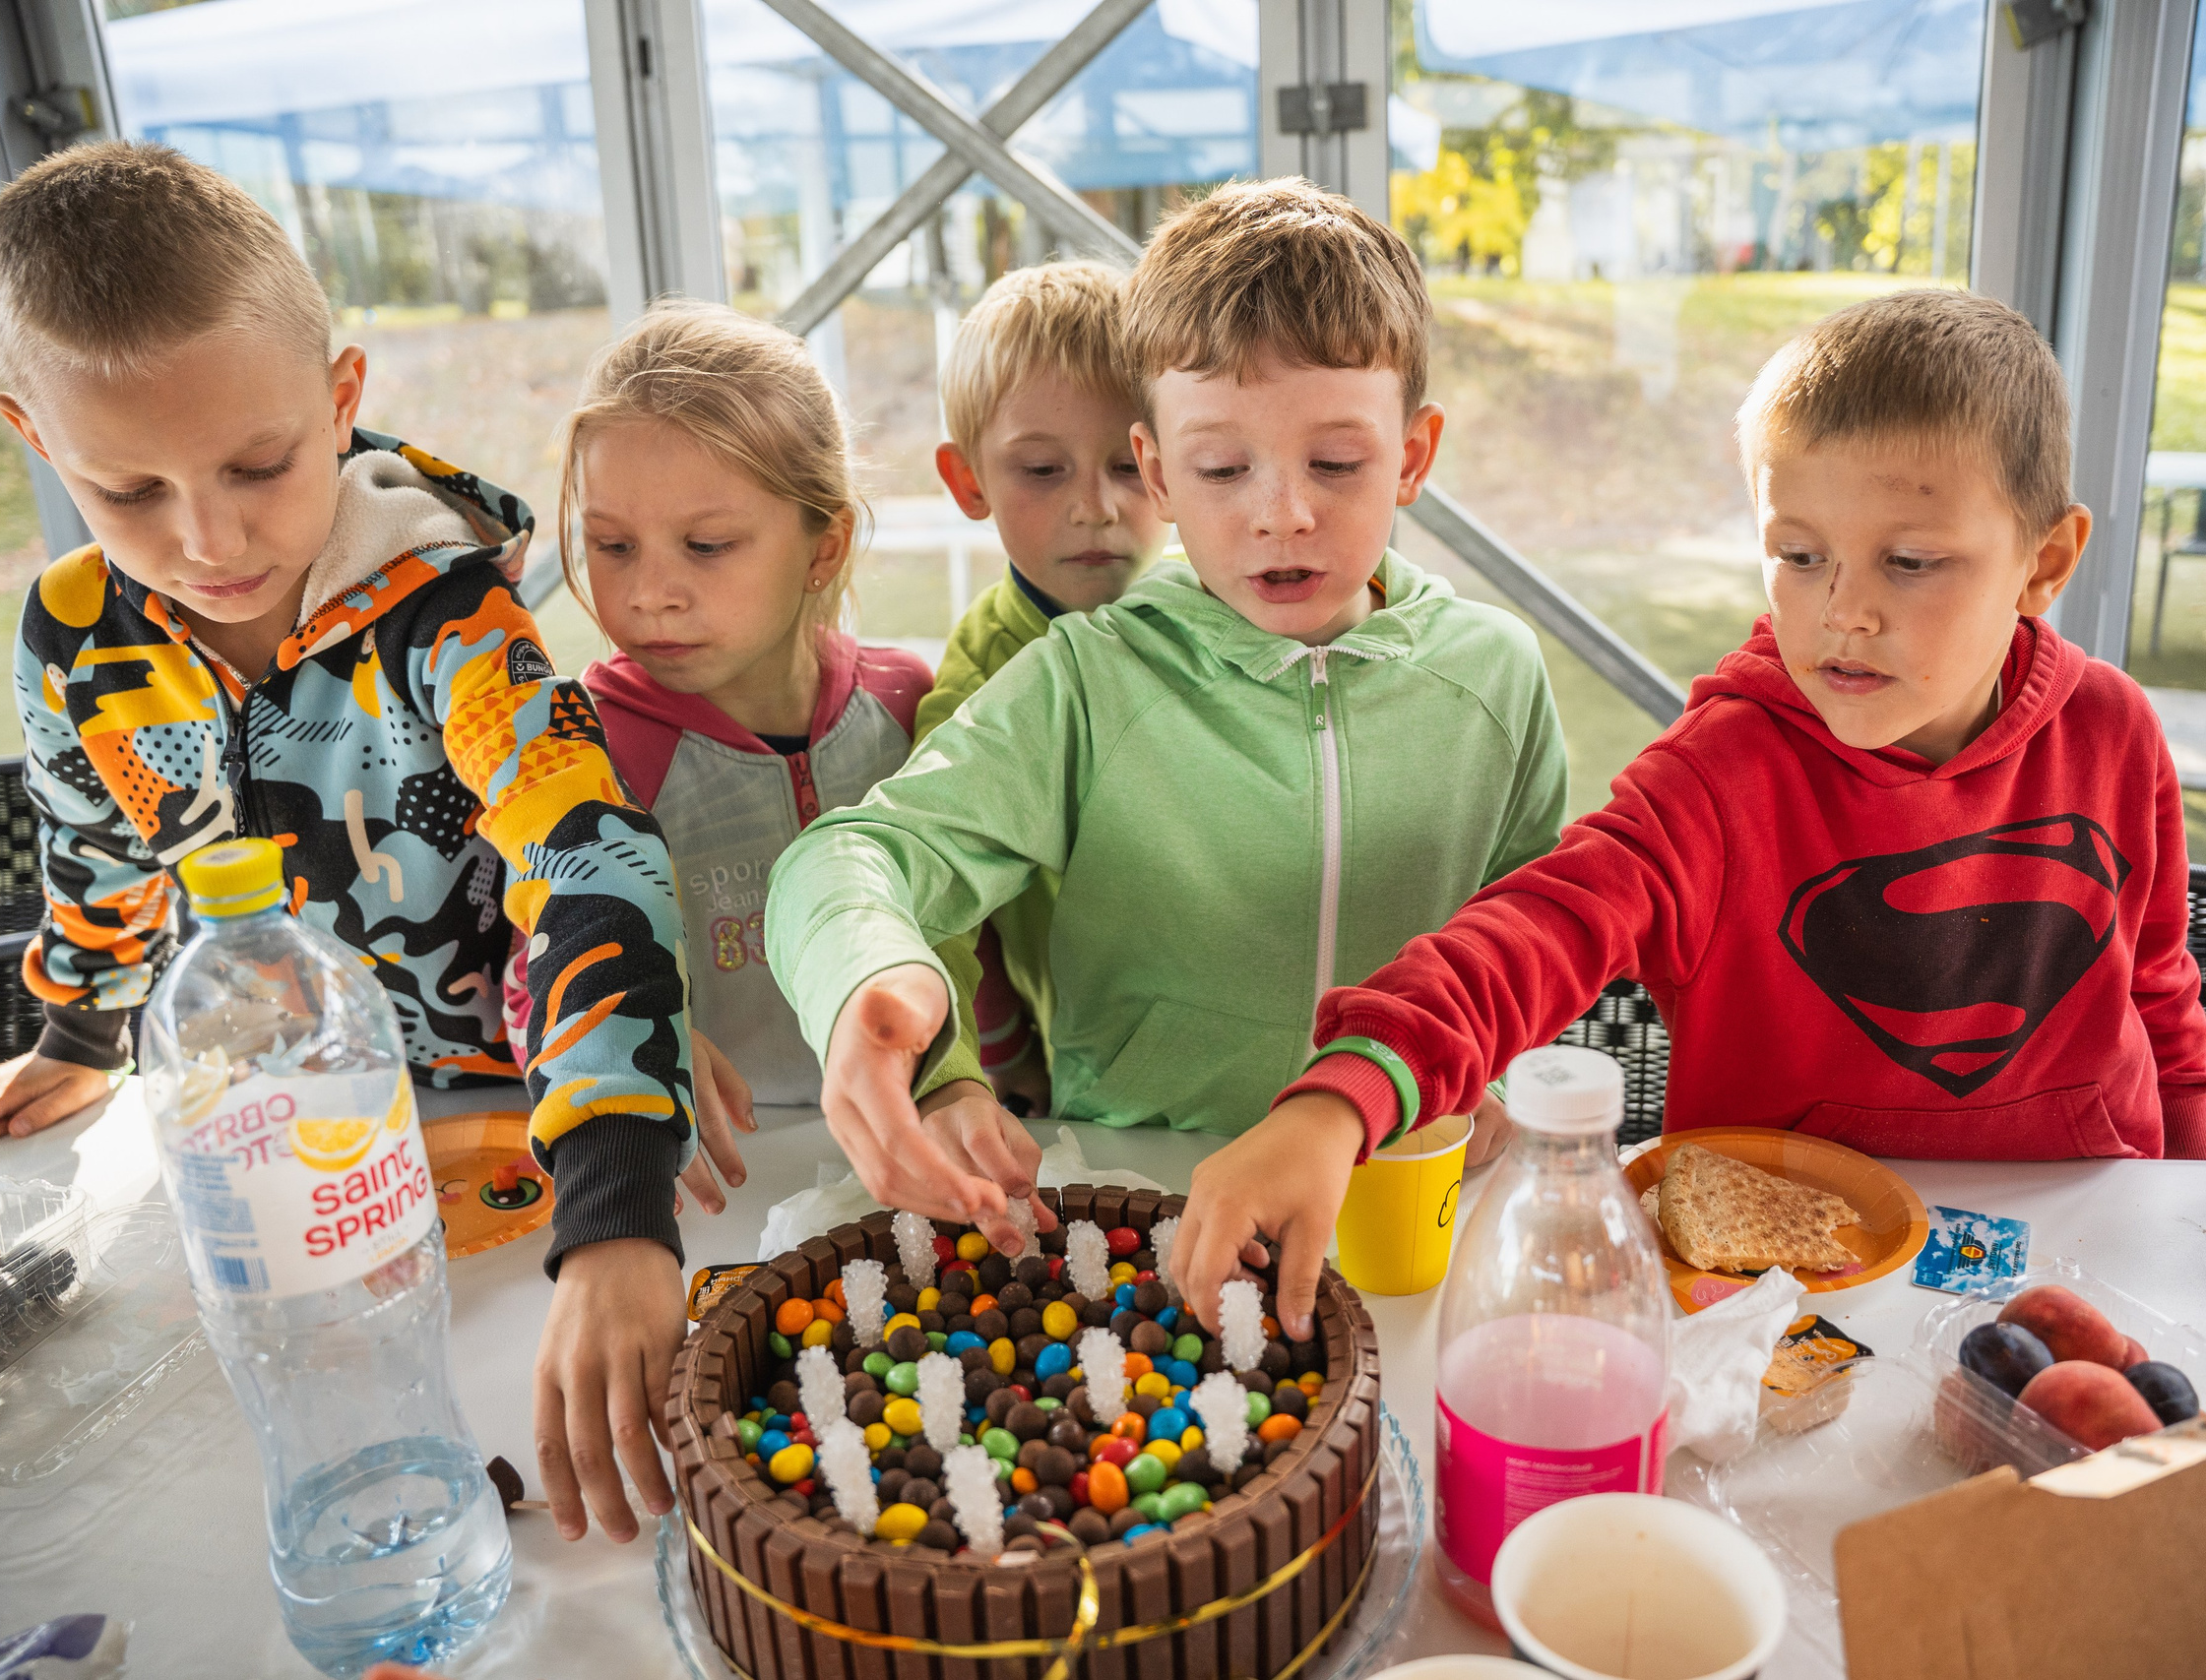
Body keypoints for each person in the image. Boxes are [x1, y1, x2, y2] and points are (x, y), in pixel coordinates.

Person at [0, 143, 726, 1549]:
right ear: (37, 440)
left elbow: (589, 859)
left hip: (517, 1123)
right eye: (130, 491)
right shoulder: (71, 637)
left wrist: (617, 1186)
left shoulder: (449, 620)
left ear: (341, 397)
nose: (210, 535)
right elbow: (94, 847)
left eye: (259, 462)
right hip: (280, 1149)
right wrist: (79, 1029)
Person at [1180, 289, 2206, 1326]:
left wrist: (2197, 1200)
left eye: (1909, 563)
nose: (1844, 612)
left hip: (2098, 1241)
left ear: (2042, 564)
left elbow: (2159, 994)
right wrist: (1340, 1100)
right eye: (1799, 553)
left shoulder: (2114, 731)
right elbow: (1530, 932)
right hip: (1793, 1300)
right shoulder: (1720, 777)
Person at [763, 178, 1570, 1328]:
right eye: (1222, 468)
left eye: (1335, 464)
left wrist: (1496, 1064)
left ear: (1414, 453)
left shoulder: (1497, 674)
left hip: (1412, 1198)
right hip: (1145, 1201)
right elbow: (851, 858)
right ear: (1155, 469)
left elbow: (1539, 920)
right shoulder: (1084, 682)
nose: (1280, 513)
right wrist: (864, 981)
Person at [514, 300, 930, 1113]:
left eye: (706, 546)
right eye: (612, 545)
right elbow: (531, 991)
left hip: (913, 1155)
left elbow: (966, 938)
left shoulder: (908, 704)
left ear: (825, 547)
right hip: (720, 1185)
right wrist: (623, 1039)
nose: (650, 594)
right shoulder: (576, 749)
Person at [914, 261, 1168, 1115]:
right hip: (1088, 1088)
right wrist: (965, 1063)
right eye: (1043, 470)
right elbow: (934, 892)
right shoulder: (983, 669)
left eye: (1128, 465)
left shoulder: (1245, 616)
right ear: (968, 481)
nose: (1094, 506)